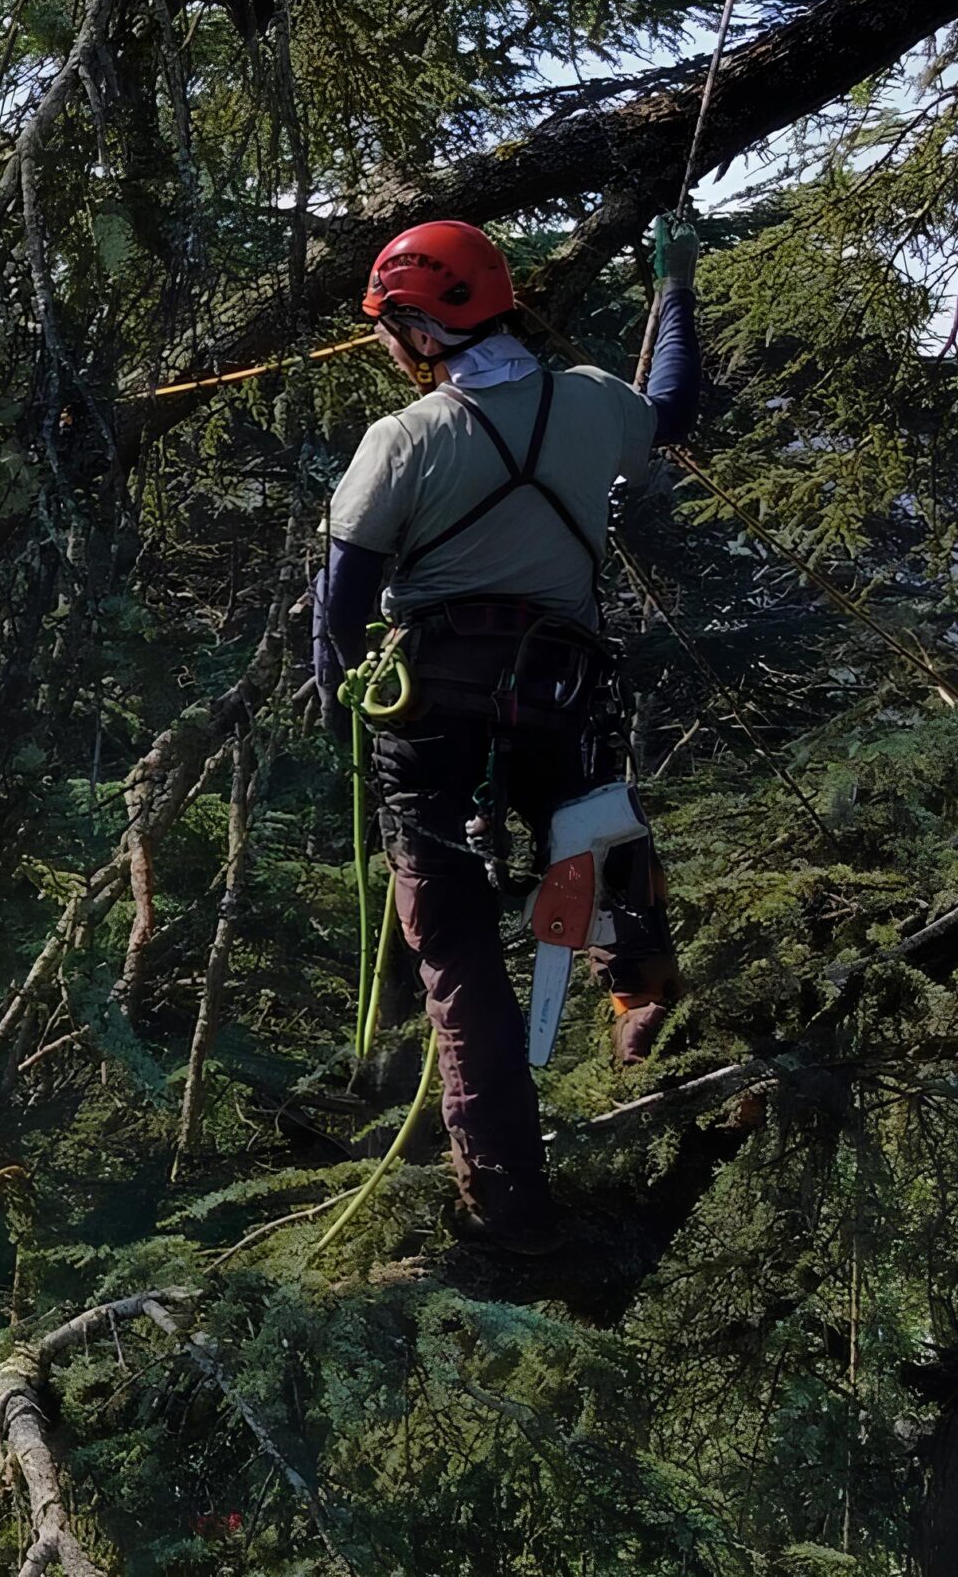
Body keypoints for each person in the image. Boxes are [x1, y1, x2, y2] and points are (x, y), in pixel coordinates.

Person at [313, 215, 703, 1254]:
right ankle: (645, 1011)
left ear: (418, 328)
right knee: (606, 849)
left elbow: (342, 609)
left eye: (390, 328)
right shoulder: (587, 400)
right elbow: (670, 407)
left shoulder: (405, 438)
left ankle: (503, 1199)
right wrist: (676, 288)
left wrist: (338, 703)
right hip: (558, 690)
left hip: (431, 711)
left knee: (456, 949)